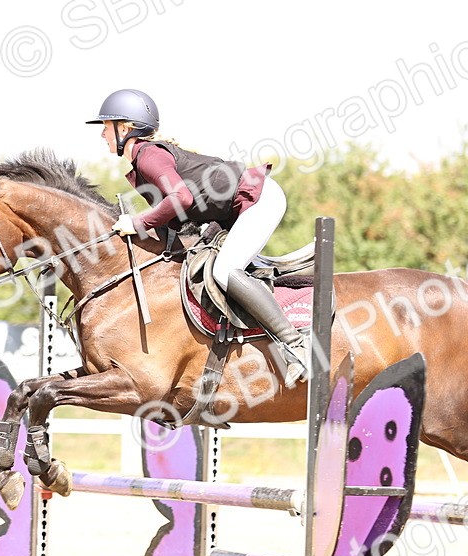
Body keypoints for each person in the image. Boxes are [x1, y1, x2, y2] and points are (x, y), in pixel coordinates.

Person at [85, 88, 309, 387]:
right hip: (239, 208)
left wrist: (137, 222)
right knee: (216, 268)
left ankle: (296, 345)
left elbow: (181, 198)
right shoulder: (146, 159)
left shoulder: (148, 155)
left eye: (106, 126)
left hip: (258, 199)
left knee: (225, 271)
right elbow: (177, 218)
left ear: (125, 128)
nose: (103, 134)